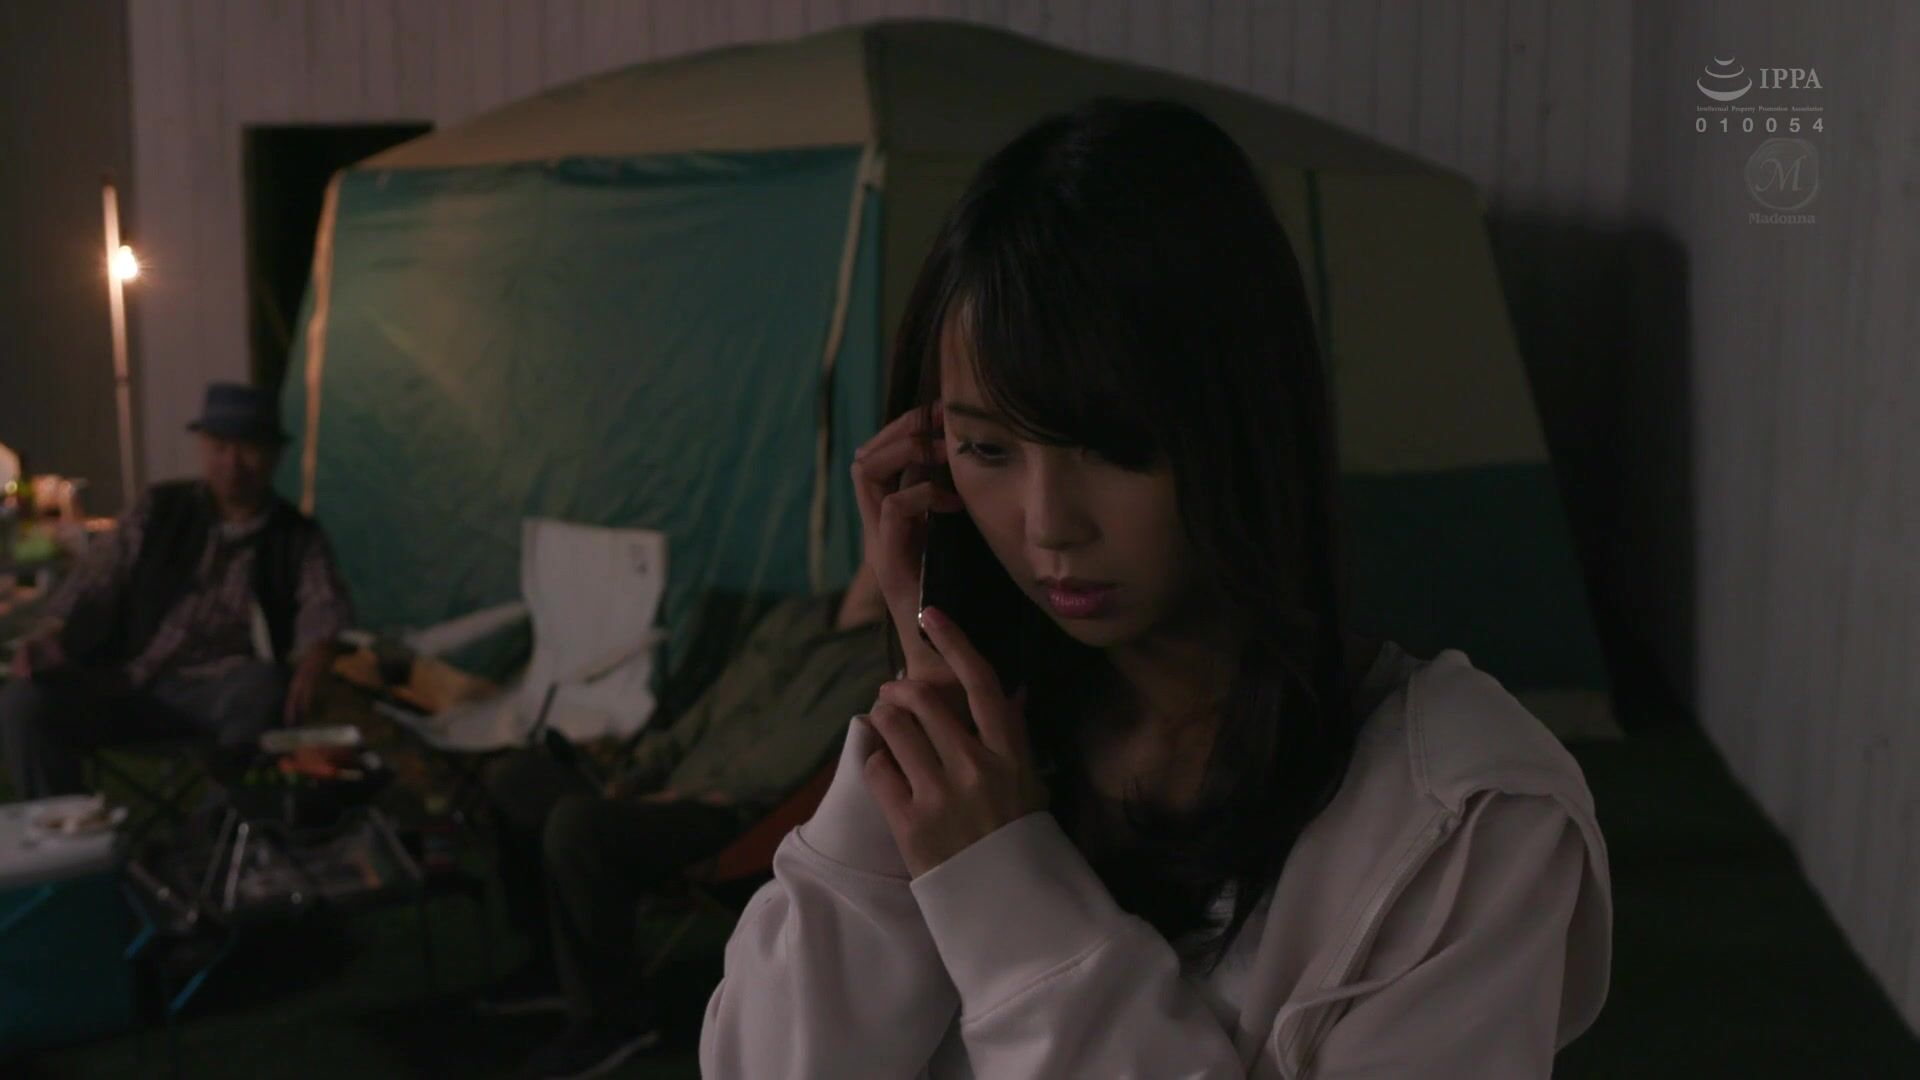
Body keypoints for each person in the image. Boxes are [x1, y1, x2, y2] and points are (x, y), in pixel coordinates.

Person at [699, 97, 1613, 1078]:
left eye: (1116, 447)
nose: (1048, 524)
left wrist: (1002, 884)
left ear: (1245, 428)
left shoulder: (1461, 812)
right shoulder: (970, 748)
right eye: (987, 450)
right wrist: (931, 705)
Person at [479, 558, 890, 1079]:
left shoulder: (882, 659)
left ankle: (612, 1019)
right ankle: (550, 964)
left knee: (578, 825)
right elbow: (710, 709)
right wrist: (638, 772)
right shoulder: (798, 618)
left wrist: (679, 795)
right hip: (671, 786)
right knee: (514, 778)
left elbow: (786, 762)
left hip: (729, 817)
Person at [1, 383, 352, 799]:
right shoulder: (159, 508)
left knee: (265, 689)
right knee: (25, 703)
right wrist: (54, 633)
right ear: (203, 447)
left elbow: (323, 604)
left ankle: (216, 830)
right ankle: (69, 827)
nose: (232, 463)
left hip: (219, 690)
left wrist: (316, 655)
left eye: (248, 449)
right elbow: (97, 580)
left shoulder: (296, 536)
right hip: (122, 678)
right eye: (220, 447)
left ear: (274, 455)